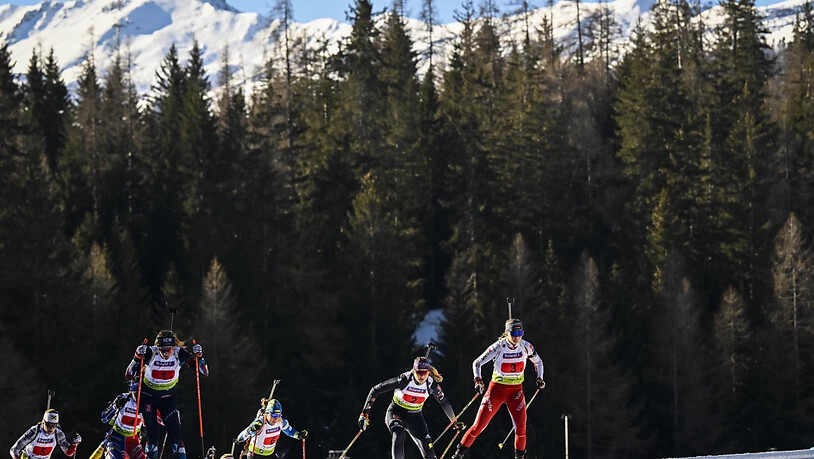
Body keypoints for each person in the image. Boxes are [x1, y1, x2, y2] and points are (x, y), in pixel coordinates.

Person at [450, 319, 544, 459]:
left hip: (516, 392)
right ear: (507, 333)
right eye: (514, 333)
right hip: (496, 391)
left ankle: (520, 457)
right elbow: (477, 363)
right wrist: (478, 380)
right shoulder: (499, 346)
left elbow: (538, 362)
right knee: (479, 426)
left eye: (520, 333)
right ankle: (458, 454)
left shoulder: (526, 347)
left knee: (521, 428)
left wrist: (540, 378)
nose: (517, 336)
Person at [357, 356, 464, 459]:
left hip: (415, 418)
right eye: (419, 372)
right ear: (413, 371)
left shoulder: (431, 385)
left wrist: (454, 421)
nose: (422, 376)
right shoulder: (404, 380)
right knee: (398, 434)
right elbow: (376, 389)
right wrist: (364, 413)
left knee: (430, 455)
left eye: (424, 373)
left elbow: (444, 402)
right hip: (396, 412)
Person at [125, 330, 209, 459]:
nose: (165, 353)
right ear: (157, 347)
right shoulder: (150, 352)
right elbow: (129, 375)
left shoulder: (179, 353)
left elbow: (203, 372)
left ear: (173, 347)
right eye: (162, 350)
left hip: (168, 398)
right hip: (148, 397)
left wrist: (199, 356)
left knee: (175, 433)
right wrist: (137, 356)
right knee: (152, 435)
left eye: (168, 350)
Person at [235, 399, 306, 458]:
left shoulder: (281, 421)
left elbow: (289, 431)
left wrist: (299, 435)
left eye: (278, 415)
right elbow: (242, 435)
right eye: (274, 415)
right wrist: (252, 430)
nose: (276, 418)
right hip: (256, 455)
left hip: (270, 454)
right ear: (267, 413)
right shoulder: (261, 422)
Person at [9, 409, 82, 459]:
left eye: (54, 425)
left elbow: (69, 452)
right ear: (43, 422)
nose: (51, 428)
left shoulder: (58, 433)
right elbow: (14, 449)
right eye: (48, 425)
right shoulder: (34, 431)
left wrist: (75, 444)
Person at [99, 382, 145, 459]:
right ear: (131, 392)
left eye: (141, 395)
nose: (139, 398)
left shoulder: (147, 402)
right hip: (116, 439)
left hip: (133, 441)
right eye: (136, 395)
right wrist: (115, 406)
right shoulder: (124, 398)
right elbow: (104, 418)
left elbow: (160, 419)